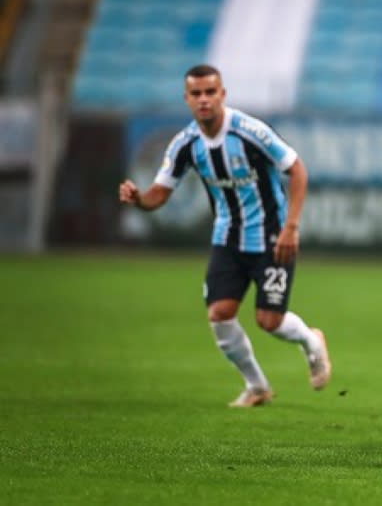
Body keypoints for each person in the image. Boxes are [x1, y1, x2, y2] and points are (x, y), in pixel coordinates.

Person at [118, 64, 331, 407]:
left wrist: (291, 227)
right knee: (219, 313)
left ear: (222, 95)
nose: (204, 100)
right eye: (196, 94)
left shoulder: (249, 132)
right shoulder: (185, 144)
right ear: (187, 99)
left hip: (272, 236)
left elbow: (296, 169)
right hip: (227, 238)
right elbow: (160, 192)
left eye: (210, 92)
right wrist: (139, 199)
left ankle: (311, 341)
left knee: (269, 321)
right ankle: (257, 386)